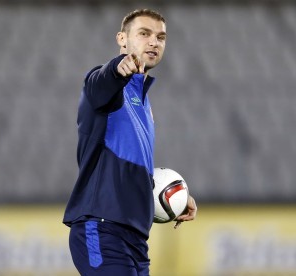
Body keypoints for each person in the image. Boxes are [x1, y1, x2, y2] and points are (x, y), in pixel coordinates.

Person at [62, 8, 197, 275]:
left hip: (134, 239)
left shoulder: (143, 100)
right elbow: (98, 84)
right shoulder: (107, 85)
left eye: (160, 37)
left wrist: (177, 197)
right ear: (122, 39)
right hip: (101, 228)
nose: (153, 42)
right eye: (144, 33)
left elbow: (130, 163)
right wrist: (115, 68)